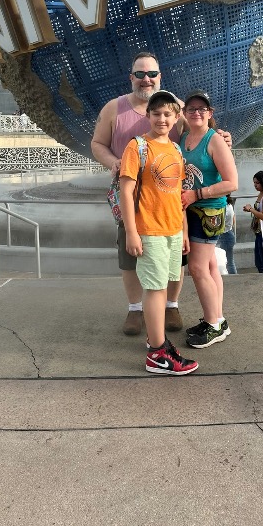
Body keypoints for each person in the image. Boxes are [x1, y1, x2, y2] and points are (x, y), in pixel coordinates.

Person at [91, 52, 232, 336]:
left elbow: (202, 130)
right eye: (140, 74)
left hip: (168, 199)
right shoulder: (113, 109)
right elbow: (97, 144)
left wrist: (222, 137)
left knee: (175, 256)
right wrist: (115, 163)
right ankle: (135, 310)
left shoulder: (175, 105)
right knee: (130, 255)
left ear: (160, 77)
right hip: (129, 196)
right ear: (131, 77)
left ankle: (171, 304)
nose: (146, 79)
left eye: (152, 74)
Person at [119, 90, 198, 375]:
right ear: (148, 116)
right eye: (156, 114)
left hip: (173, 229)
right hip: (149, 229)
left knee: (164, 286)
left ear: (177, 118)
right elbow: (125, 192)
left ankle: (157, 340)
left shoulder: (176, 150)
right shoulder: (138, 147)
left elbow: (178, 195)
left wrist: (184, 230)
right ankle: (157, 353)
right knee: (155, 289)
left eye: (167, 114)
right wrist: (131, 232)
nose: (162, 119)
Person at [180, 90, 238, 349]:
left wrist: (197, 194)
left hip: (209, 212)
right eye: (191, 108)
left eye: (202, 109)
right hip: (192, 209)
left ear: (210, 113)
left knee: (198, 268)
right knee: (211, 266)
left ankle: (213, 326)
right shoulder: (184, 139)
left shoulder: (215, 141)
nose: (196, 112)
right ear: (184, 113)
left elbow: (231, 183)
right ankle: (218, 319)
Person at [217, 195, 237, 274]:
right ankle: (235, 278)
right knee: (230, 262)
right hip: (229, 233)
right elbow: (233, 221)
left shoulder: (223, 207)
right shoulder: (229, 205)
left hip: (224, 234)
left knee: (226, 263)